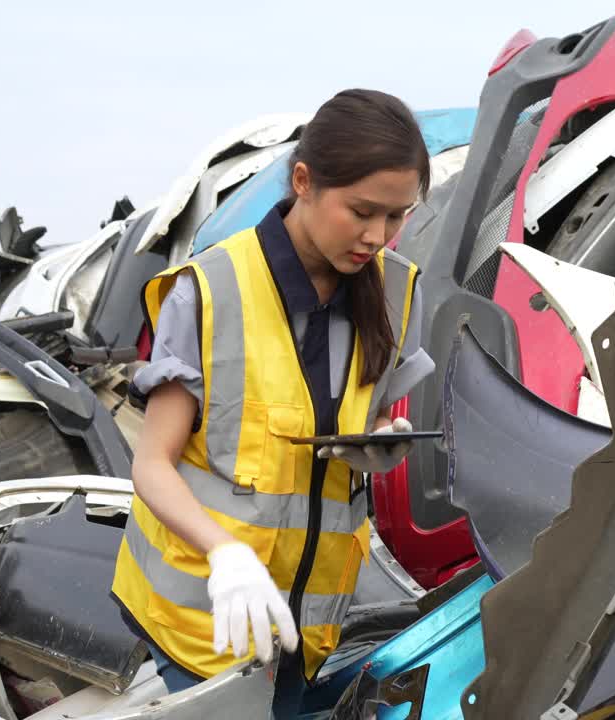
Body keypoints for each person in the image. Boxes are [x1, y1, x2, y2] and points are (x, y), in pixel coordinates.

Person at [111, 89, 436, 695]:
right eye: (362, 211)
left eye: (397, 216)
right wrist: (224, 554)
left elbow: (346, 424)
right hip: (203, 617)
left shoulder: (397, 292)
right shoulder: (209, 290)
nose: (378, 236)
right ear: (304, 181)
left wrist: (375, 449)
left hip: (311, 625)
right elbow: (152, 464)